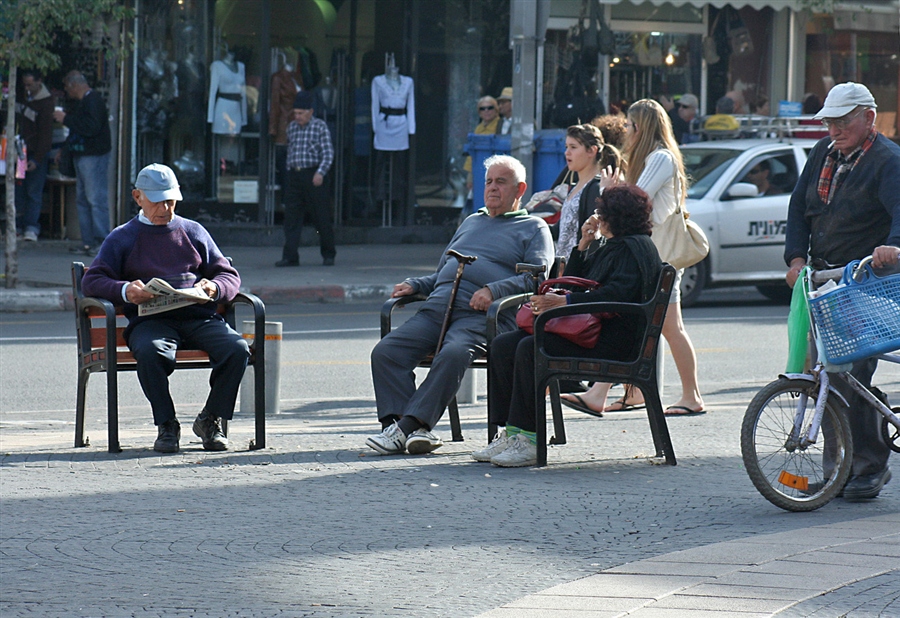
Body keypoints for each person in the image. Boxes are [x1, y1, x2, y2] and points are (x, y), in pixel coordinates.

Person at [366, 155, 554, 456]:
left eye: (500, 182)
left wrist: (494, 290)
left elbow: (537, 277)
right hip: (438, 308)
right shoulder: (471, 221)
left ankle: (406, 428)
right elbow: (444, 271)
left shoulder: (533, 227)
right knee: (387, 352)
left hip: (483, 316)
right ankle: (410, 427)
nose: (492, 188)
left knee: (454, 352)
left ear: (520, 189)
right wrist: (418, 285)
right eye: (488, 182)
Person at [476, 184, 663, 467]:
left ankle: (529, 441)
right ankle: (511, 432)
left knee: (530, 347)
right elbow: (573, 283)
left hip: (616, 342)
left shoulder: (632, 247)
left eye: (602, 212)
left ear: (617, 216)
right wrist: (584, 244)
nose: (598, 217)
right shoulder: (617, 244)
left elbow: (615, 296)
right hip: (597, 333)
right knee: (503, 344)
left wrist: (564, 303)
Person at [82, 164, 251, 454]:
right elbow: (92, 280)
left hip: (199, 318)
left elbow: (229, 275)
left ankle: (210, 420)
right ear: (138, 197)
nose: (165, 208)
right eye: (158, 201)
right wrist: (126, 290)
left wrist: (214, 288)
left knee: (237, 349)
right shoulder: (123, 237)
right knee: (150, 352)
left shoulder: (193, 231)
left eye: (171, 201)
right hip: (151, 322)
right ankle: (167, 424)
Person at [784, 82, 900, 501]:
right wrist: (796, 258)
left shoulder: (887, 160)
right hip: (821, 279)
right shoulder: (822, 154)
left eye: (842, 120)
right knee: (824, 376)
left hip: (865, 281)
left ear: (868, 117)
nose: (834, 128)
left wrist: (892, 247)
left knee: (851, 374)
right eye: (829, 121)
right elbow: (799, 207)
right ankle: (839, 470)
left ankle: (868, 467)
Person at [562, 99, 704, 416]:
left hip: (657, 258)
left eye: (629, 125)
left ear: (641, 127)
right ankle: (629, 392)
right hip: (653, 258)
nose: (625, 131)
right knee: (647, 324)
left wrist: (612, 189)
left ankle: (689, 396)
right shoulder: (655, 159)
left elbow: (636, 199)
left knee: (660, 326)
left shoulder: (660, 158)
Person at [276, 90, 336, 267]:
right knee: (292, 218)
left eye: (301, 113)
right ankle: (290, 256)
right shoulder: (292, 128)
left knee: (321, 217)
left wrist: (320, 173)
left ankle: (328, 253)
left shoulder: (320, 127)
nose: (298, 116)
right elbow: (290, 151)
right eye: (295, 113)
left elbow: (328, 153)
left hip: (313, 175)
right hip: (295, 175)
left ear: (310, 112)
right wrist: (288, 174)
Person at [54, 70, 111, 256]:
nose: (66, 90)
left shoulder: (93, 100)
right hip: (83, 155)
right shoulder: (85, 102)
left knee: (95, 198)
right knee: (83, 199)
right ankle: (88, 242)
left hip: (93, 156)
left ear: (74, 85)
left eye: (67, 86)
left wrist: (66, 119)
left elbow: (90, 127)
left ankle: (101, 241)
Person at [556, 124, 624, 258]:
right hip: (565, 267)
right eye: (566, 147)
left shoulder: (595, 187)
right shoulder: (575, 186)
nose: (567, 152)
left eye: (573, 147)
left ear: (592, 151)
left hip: (579, 268)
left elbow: (594, 234)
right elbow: (563, 228)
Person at [14, 70, 55, 242]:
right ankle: (17, 225)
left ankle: (31, 226)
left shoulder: (46, 102)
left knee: (33, 190)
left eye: (30, 84)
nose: (27, 88)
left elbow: (46, 134)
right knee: (19, 189)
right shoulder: (23, 98)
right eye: (25, 84)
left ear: (39, 82)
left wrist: (37, 158)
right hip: (19, 149)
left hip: (35, 152)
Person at [463, 96, 501, 191]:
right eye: (482, 109)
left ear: (496, 110)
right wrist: (470, 174)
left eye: (490, 108)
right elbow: (471, 152)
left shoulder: (501, 125)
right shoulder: (479, 128)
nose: (486, 111)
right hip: (477, 168)